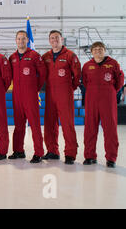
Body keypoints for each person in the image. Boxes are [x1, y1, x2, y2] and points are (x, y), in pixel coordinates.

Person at [82, 41, 124, 168]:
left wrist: (110, 91)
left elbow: (120, 81)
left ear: (104, 50)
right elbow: (84, 82)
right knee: (90, 128)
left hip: (108, 99)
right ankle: (90, 156)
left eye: (100, 49)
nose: (97, 51)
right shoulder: (87, 66)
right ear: (91, 51)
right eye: (95, 49)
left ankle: (111, 158)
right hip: (92, 100)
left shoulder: (113, 64)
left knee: (110, 129)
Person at [42, 30, 81, 165]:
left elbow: (77, 76)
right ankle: (52, 151)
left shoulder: (70, 55)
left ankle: (70, 153)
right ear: (49, 41)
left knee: (67, 124)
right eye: (52, 38)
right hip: (50, 93)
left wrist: (70, 88)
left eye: (57, 38)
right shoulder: (45, 56)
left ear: (62, 39)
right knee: (49, 124)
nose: (54, 40)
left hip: (65, 93)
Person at [8, 30, 46, 163]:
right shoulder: (12, 57)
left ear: (27, 40)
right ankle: (18, 151)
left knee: (34, 125)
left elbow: (42, 74)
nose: (21, 41)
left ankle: (39, 152)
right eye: (18, 39)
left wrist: (35, 88)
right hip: (17, 95)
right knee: (18, 125)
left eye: (23, 39)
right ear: (15, 40)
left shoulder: (34, 55)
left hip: (30, 95)